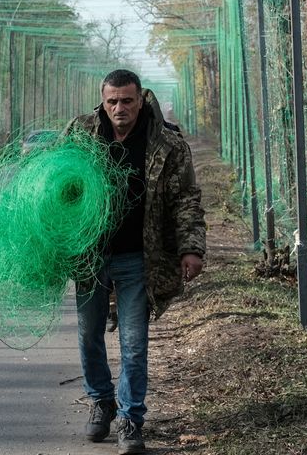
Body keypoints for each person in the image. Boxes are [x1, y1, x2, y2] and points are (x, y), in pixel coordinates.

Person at [65, 69, 206, 455]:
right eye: (112, 101)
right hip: (91, 255)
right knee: (88, 334)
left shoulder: (167, 142)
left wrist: (191, 248)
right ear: (102, 100)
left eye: (127, 100)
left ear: (141, 100)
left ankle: (131, 418)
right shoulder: (80, 134)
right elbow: (57, 188)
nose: (119, 108)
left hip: (139, 258)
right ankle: (101, 401)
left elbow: (186, 199)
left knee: (134, 342)